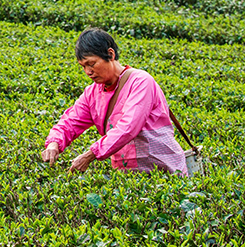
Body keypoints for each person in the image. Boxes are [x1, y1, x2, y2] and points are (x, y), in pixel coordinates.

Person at [41, 28, 187, 175]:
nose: (88, 72)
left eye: (91, 64)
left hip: (164, 172)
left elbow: (128, 127)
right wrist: (54, 143)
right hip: (127, 176)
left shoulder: (141, 82)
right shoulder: (92, 93)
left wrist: (90, 154)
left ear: (110, 54)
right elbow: (71, 121)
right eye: (83, 66)